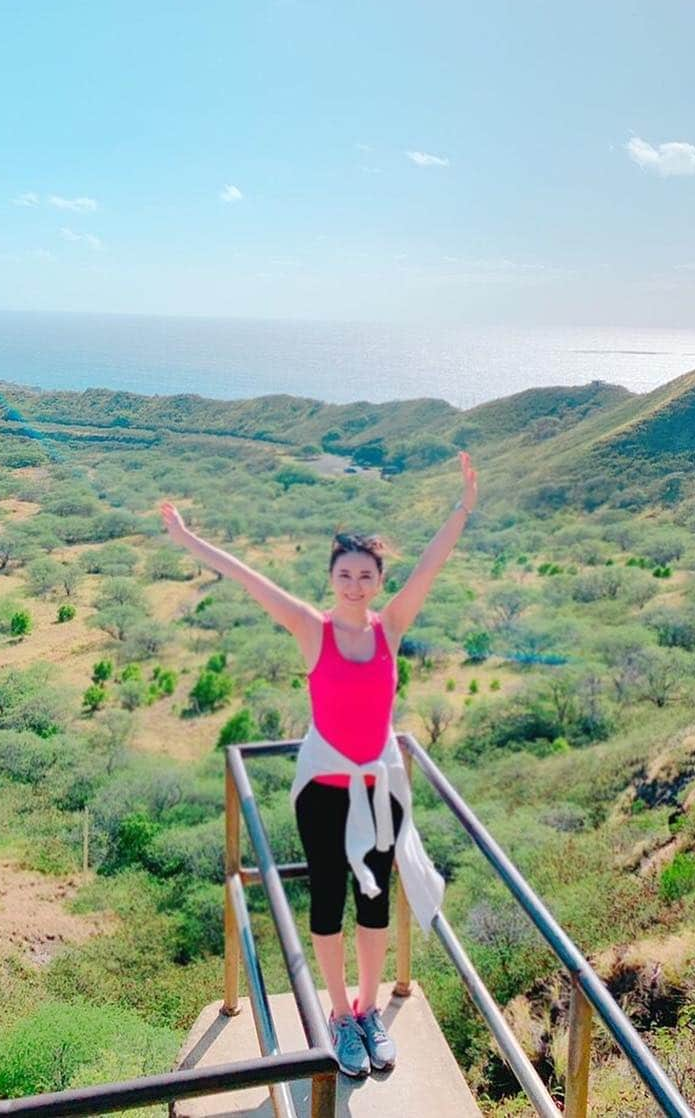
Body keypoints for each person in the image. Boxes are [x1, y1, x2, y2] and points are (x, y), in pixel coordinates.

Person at [159, 450, 477, 1079]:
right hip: (324, 790)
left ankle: (367, 1009)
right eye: (345, 574)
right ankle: (338, 1014)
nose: (355, 584)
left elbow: (433, 564)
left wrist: (464, 505)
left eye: (365, 575)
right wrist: (187, 538)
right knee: (329, 899)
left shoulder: (390, 628)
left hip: (379, 785)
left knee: (377, 901)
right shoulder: (313, 629)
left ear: (378, 581)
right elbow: (249, 580)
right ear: (331, 578)